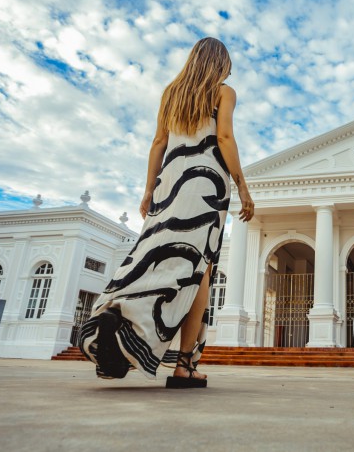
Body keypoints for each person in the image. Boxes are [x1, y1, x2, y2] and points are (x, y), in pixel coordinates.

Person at [79, 37, 254, 388]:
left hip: (168, 183)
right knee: (199, 269)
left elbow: (158, 142)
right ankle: (185, 365)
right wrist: (243, 186)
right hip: (205, 187)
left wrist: (148, 190)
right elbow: (224, 138)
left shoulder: (171, 94)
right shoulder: (223, 91)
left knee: (154, 257)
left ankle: (118, 315)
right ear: (219, 63)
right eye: (228, 64)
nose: (230, 70)